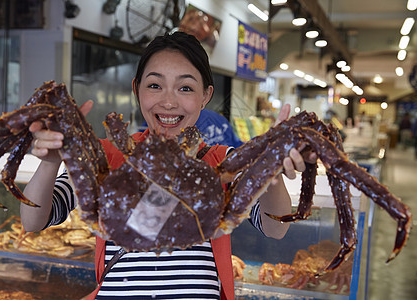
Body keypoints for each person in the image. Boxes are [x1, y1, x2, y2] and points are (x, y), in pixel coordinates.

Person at [21, 32, 315, 300]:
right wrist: (49, 163)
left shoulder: (222, 162)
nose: (169, 102)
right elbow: (33, 221)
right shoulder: (106, 158)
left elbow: (275, 229)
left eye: (185, 88)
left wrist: (270, 174)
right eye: (155, 85)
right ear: (137, 90)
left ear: (205, 96)